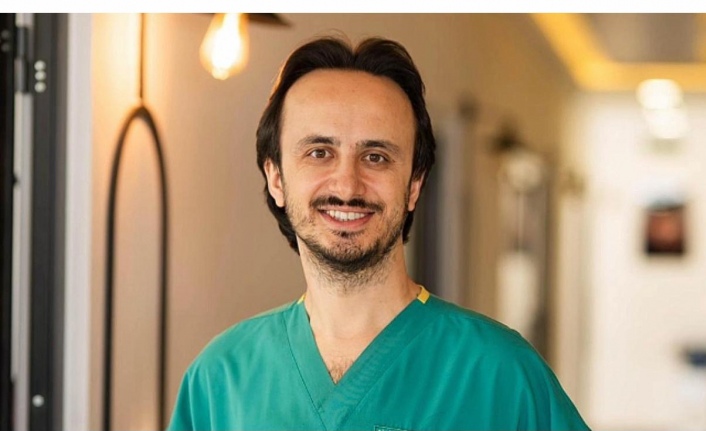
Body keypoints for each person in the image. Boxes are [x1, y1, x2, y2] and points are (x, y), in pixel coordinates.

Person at [167, 35, 590, 431]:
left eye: (376, 156)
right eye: (319, 152)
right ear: (276, 178)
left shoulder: (500, 375)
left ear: (414, 185)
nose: (347, 185)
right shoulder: (220, 380)